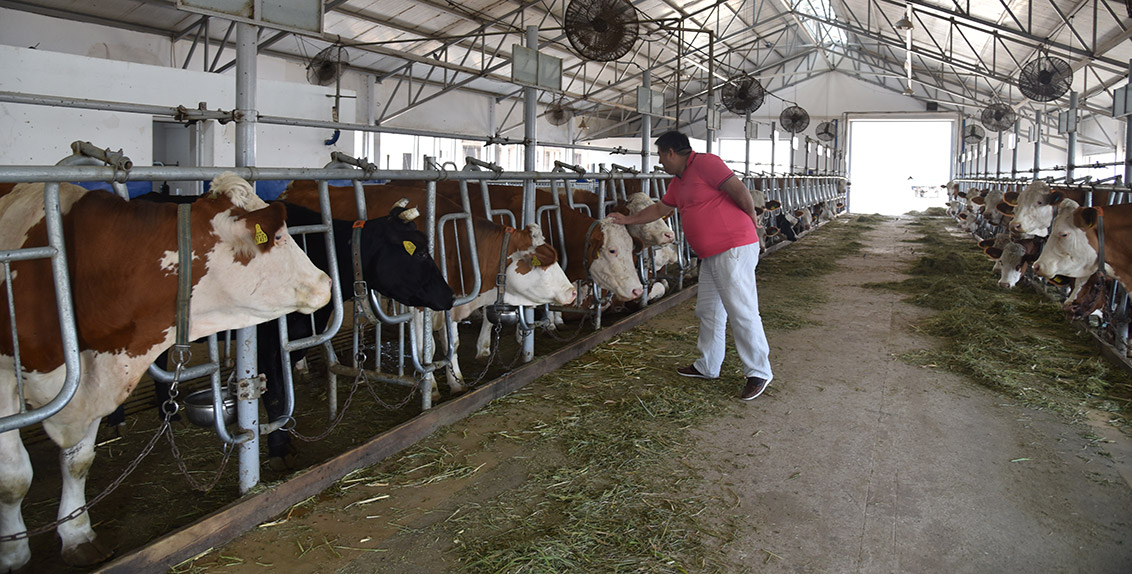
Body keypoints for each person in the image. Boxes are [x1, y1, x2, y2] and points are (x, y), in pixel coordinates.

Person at [610, 130, 773, 400]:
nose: (660, 162)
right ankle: (708, 365)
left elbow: (739, 190)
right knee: (708, 310)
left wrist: (752, 220)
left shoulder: (707, 163)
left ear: (671, 152)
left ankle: (759, 371)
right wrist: (627, 221)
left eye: (661, 155)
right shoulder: (679, 181)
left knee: (741, 310)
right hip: (711, 254)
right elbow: (660, 209)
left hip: (732, 247)